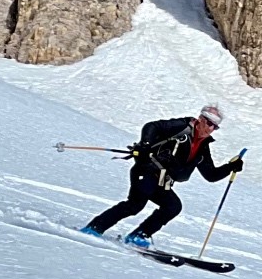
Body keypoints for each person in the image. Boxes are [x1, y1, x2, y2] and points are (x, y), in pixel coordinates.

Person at [82, 103, 243, 246]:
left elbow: (211, 175)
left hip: (162, 181)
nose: (210, 129)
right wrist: (145, 144)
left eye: (215, 127)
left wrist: (230, 167)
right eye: (209, 123)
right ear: (200, 118)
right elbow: (152, 126)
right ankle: (94, 228)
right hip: (146, 170)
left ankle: (139, 235)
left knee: (172, 206)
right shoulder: (181, 126)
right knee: (135, 205)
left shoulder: (202, 147)